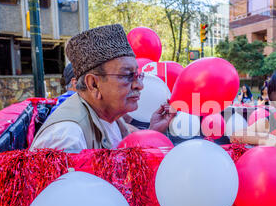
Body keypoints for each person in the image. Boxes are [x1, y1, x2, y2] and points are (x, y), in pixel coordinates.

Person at [30, 24, 175, 153]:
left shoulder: (110, 115)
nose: (139, 85)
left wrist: (153, 131)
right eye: (127, 75)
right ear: (93, 84)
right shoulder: (67, 138)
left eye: (138, 75)